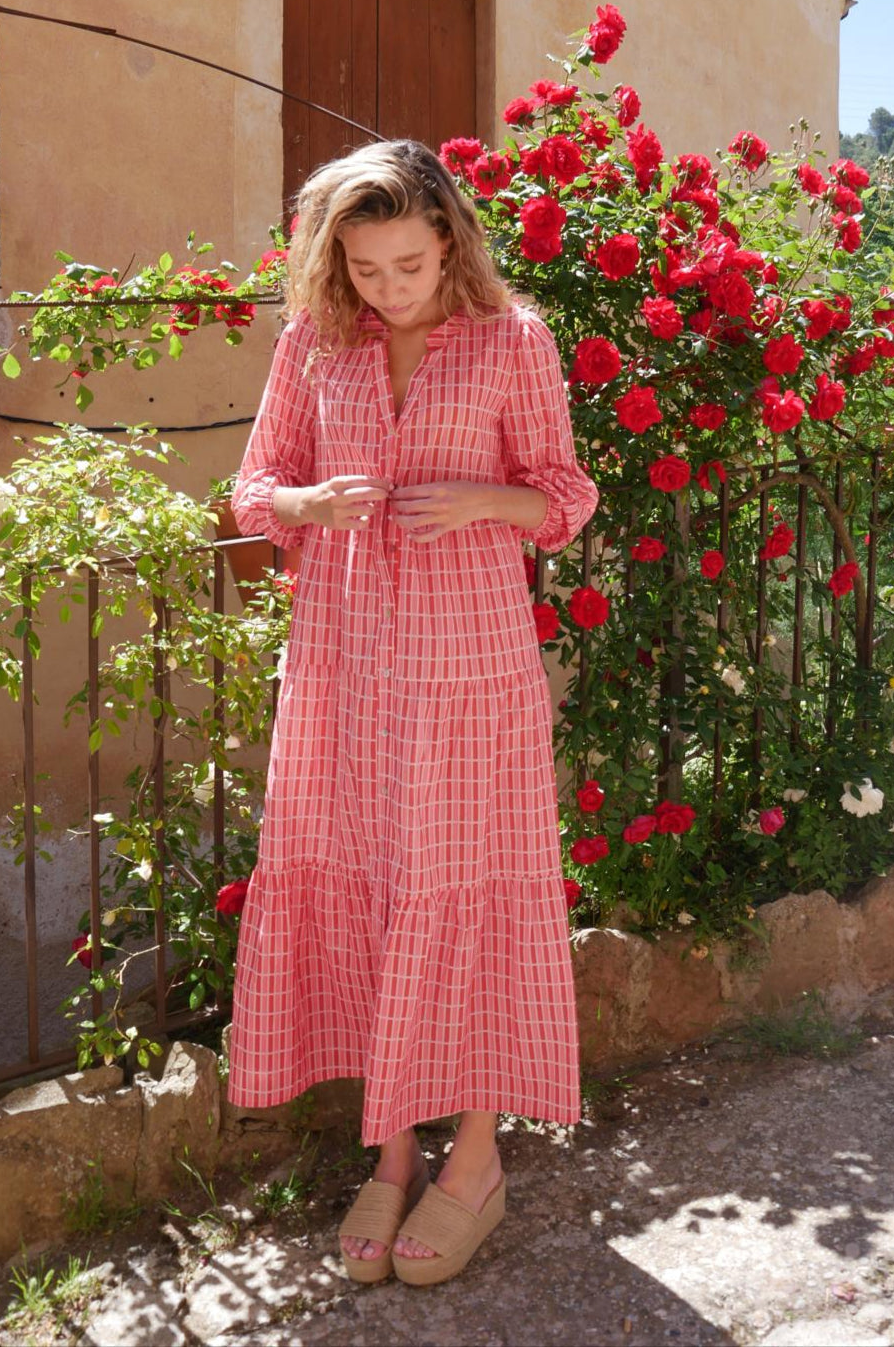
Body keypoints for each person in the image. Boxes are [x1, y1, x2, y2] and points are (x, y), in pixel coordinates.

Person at [226, 137, 599, 1287]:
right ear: (335, 260)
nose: (388, 287)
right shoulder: (312, 344)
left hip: (469, 666)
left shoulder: (513, 339)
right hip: (341, 670)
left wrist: (485, 496)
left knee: (466, 888)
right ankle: (389, 1154)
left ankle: (475, 1159)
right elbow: (251, 492)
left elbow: (567, 496)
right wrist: (305, 499)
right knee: (371, 885)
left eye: (408, 264)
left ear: (449, 241)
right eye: (366, 267)